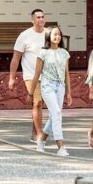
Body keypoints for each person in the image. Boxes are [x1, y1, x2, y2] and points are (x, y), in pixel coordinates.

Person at [30, 26, 73, 156]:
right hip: (47, 85)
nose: (57, 37)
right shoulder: (43, 53)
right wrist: (30, 93)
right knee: (57, 112)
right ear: (49, 36)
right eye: (54, 34)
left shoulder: (64, 53)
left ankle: (41, 140)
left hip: (60, 86)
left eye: (59, 34)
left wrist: (69, 92)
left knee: (55, 114)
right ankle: (60, 146)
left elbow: (66, 73)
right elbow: (37, 73)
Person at [8, 8, 47, 141]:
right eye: (38, 17)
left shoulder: (49, 34)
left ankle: (34, 133)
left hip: (47, 75)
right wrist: (11, 78)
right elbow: (16, 58)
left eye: (42, 17)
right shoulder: (24, 35)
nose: (41, 19)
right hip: (30, 75)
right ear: (32, 20)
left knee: (40, 104)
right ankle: (40, 134)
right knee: (37, 103)